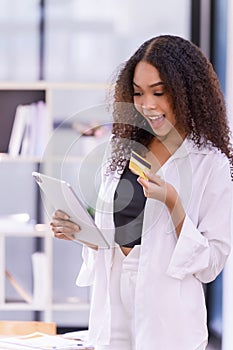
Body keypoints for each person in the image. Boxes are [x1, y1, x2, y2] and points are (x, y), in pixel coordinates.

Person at [50, 35, 233, 350]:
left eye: (159, 92)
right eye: (137, 93)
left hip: (168, 318)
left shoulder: (210, 163)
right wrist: (81, 232)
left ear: (187, 92)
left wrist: (173, 202)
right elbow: (114, 232)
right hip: (112, 302)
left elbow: (211, 263)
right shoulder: (120, 150)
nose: (147, 105)